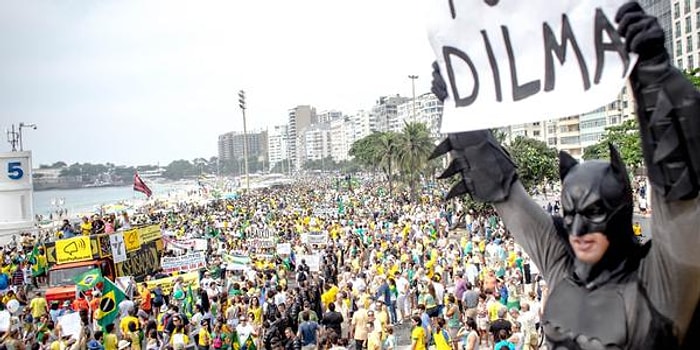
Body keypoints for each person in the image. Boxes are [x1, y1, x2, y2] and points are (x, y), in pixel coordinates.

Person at [429, 2, 700, 348]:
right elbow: (505, 195)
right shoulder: (560, 265)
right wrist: (464, 112)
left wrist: (654, 77)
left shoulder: (661, 282)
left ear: (620, 213)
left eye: (593, 213)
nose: (578, 230)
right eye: (570, 215)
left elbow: (680, 198)